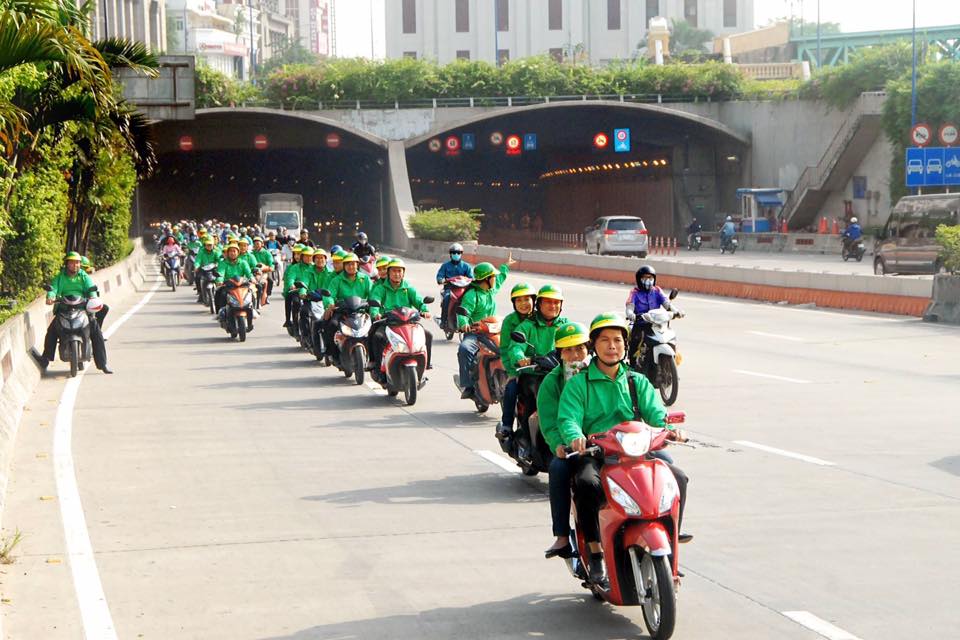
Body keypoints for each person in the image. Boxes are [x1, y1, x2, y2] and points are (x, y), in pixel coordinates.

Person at [556, 312, 691, 582]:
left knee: (677, 477)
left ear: (625, 345)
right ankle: (595, 552)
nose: (612, 345)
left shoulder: (636, 380)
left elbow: (656, 415)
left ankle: (672, 534)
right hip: (596, 453)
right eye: (604, 340)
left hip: (635, 450)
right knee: (586, 484)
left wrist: (670, 430)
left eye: (617, 340)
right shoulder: (579, 384)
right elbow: (568, 418)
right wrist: (575, 437)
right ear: (593, 346)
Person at [537, 321, 592, 558]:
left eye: (579, 348)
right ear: (559, 353)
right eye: (568, 350)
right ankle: (561, 536)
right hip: (573, 446)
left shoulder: (602, 373)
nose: (574, 355)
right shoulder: (552, 382)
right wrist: (560, 444)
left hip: (609, 443)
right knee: (558, 469)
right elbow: (549, 421)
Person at [500, 284, 567, 441]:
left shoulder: (564, 325)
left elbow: (578, 342)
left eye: (556, 302)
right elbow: (514, 347)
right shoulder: (526, 326)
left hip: (558, 373)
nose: (553, 306)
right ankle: (511, 429)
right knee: (513, 389)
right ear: (540, 304)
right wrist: (520, 359)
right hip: (533, 373)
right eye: (548, 302)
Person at [34, 252, 112, 374]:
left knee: (96, 332)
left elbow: (91, 287)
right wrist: (50, 296)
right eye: (72, 262)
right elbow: (53, 288)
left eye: (77, 262)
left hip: (82, 308)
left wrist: (92, 297)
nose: (75, 265)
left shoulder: (83, 276)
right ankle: (45, 359)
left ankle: (103, 364)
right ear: (66, 264)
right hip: (64, 307)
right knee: (52, 331)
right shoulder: (60, 277)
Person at [455, 256, 515, 400]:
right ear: (486, 279)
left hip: (493, 331)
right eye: (493, 276)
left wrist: (505, 266)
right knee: (464, 349)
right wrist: (464, 324)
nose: (495, 279)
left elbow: (501, 279)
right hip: (475, 333)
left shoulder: (491, 290)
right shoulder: (472, 295)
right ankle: (468, 385)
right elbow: (463, 311)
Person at [367, 258, 433, 374]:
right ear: (389, 273)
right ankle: (376, 366)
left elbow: (418, 300)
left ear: (403, 273)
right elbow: (375, 302)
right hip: (388, 322)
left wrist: (424, 310)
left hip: (408, 322)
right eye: (394, 271)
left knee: (427, 335)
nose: (397, 274)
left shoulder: (408, 288)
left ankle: (426, 364)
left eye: (400, 271)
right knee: (376, 336)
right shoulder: (381, 288)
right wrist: (375, 313)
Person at [496, 283, 538, 441]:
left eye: (527, 299)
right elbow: (506, 349)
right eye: (518, 300)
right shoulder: (510, 321)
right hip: (520, 368)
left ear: (534, 300)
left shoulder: (540, 318)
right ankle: (507, 425)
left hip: (544, 367)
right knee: (512, 388)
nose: (523, 303)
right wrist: (514, 370)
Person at [322, 252, 374, 365]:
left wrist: (374, 304)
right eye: (348, 264)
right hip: (342, 312)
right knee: (331, 325)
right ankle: (331, 354)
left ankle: (374, 359)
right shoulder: (337, 280)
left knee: (375, 328)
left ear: (357, 265)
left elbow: (372, 294)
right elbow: (329, 296)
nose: (351, 267)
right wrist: (330, 304)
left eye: (354, 264)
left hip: (361, 311)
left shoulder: (365, 279)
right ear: (344, 266)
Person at [625, 265, 679, 368]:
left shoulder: (657, 291)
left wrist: (676, 311)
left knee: (671, 338)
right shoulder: (635, 293)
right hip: (641, 324)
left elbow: (666, 303)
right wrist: (631, 314)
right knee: (635, 342)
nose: (648, 280)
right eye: (645, 278)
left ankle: (670, 367)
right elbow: (629, 305)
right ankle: (632, 366)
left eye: (650, 278)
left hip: (657, 324)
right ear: (639, 280)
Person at [214, 243, 254, 324]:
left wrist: (252, 278)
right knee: (220, 293)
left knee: (251, 293)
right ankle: (221, 313)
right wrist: (219, 280)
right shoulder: (223, 263)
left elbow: (248, 272)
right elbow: (221, 273)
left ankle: (253, 310)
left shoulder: (243, 262)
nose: (232, 253)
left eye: (234, 251)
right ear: (227, 253)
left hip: (242, 285)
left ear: (238, 252)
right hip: (228, 286)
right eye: (230, 251)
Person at [436, 243, 474, 327]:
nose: (456, 254)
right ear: (450, 254)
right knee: (446, 298)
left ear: (461, 254)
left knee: (472, 298)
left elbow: (471, 278)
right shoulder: (445, 266)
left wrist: (472, 281)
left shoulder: (466, 266)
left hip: (463, 289)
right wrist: (441, 280)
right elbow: (440, 276)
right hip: (449, 288)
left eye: (458, 253)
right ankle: (443, 320)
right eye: (454, 253)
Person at [283, 245, 307, 329]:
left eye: (299, 254)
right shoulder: (291, 267)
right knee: (294, 300)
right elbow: (289, 279)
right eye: (295, 254)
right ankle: (290, 321)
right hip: (294, 290)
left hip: (308, 290)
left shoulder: (311, 267)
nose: (297, 256)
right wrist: (291, 286)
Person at [251, 236, 275, 301]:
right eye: (255, 243)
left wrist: (270, 268)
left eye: (258, 243)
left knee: (270, 281)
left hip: (265, 271)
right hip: (254, 271)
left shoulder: (267, 253)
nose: (256, 245)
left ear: (262, 244)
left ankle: (267, 295)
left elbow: (271, 263)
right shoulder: (251, 253)